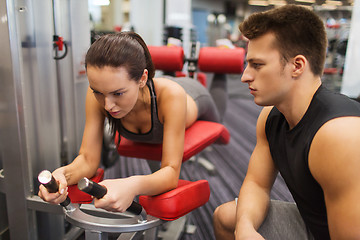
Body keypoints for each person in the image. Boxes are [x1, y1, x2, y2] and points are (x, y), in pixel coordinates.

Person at [213, 5, 360, 240]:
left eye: (257, 65)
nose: (245, 76)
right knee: (227, 218)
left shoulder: (339, 134)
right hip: (315, 222)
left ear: (297, 66)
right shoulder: (272, 116)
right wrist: (246, 229)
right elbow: (257, 184)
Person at [38, 31, 222, 212]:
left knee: (220, 122)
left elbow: (171, 172)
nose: (108, 105)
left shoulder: (172, 96)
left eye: (118, 93)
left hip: (194, 95)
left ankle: (221, 71)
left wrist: (131, 185)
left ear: (142, 78)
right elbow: (88, 158)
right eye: (98, 92)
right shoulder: (99, 93)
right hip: (149, 90)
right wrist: (62, 174)